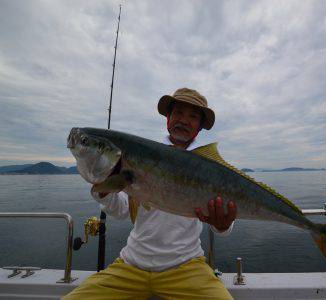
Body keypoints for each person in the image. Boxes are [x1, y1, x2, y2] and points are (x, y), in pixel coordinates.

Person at [64, 88, 236, 300]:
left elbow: (224, 227)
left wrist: (222, 224)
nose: (184, 120)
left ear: (199, 128)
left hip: (187, 267)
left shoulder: (209, 169)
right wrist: (104, 189)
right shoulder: (138, 156)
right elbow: (122, 211)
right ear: (168, 119)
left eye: (193, 116)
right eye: (178, 113)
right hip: (132, 265)